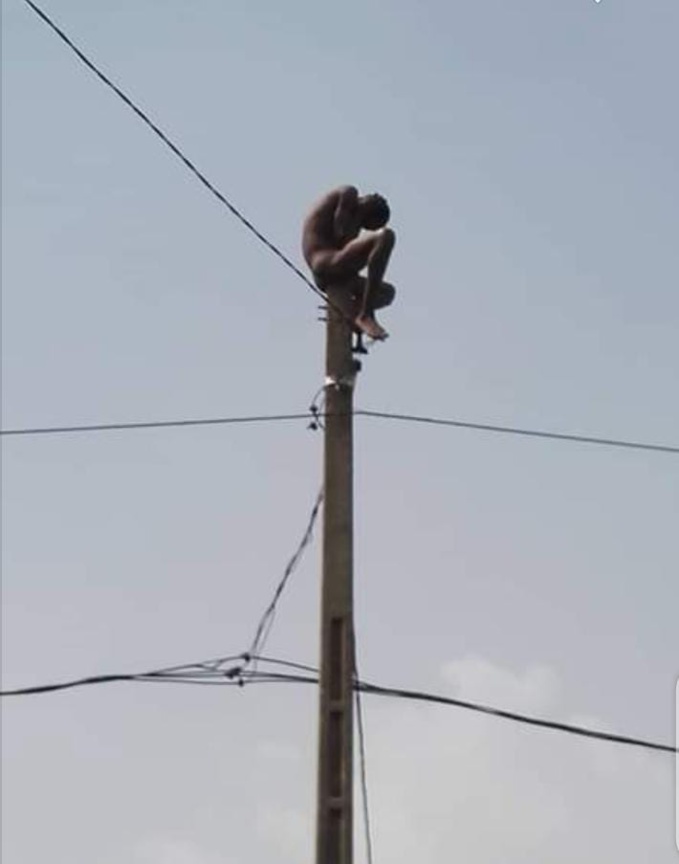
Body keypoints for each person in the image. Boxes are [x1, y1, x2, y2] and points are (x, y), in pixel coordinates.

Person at [302, 185, 396, 341]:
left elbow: (344, 245)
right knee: (385, 236)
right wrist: (361, 217)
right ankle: (366, 314)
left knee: (386, 293)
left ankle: (353, 315)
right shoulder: (349, 193)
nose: (362, 227)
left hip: (335, 266)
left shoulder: (354, 214)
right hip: (324, 262)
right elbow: (341, 233)